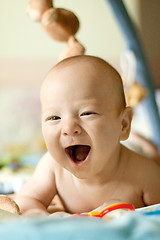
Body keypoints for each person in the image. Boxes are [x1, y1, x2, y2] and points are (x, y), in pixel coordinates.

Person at [15, 55, 160, 216]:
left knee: (149, 151)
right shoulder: (52, 168)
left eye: (87, 113)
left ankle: (139, 140)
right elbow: (26, 199)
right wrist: (39, 216)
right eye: (54, 118)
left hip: (132, 149)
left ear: (123, 124)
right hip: (112, 141)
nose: (69, 128)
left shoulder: (145, 175)